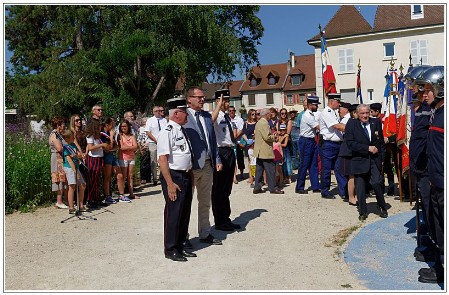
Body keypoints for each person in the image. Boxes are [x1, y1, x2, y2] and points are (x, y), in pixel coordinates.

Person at [157, 96, 196, 262]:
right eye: (185, 112)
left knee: (185, 212)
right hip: (173, 176)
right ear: (177, 113)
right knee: (174, 213)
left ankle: (180, 245)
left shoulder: (181, 129)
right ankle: (170, 248)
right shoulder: (167, 132)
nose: (187, 115)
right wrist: (170, 184)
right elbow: (163, 160)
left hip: (185, 174)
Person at [415, 66, 444, 284]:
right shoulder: (437, 114)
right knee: (438, 228)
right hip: (436, 181)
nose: (424, 93)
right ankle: (441, 267)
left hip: (443, 184)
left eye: (428, 89)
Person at [183, 87, 222, 246]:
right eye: (198, 97)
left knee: (205, 200)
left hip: (207, 165)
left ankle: (205, 232)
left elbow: (212, 140)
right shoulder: (182, 117)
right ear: (189, 99)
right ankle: (183, 236)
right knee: (185, 202)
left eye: (203, 97)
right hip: (190, 167)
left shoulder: (206, 116)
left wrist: (217, 158)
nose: (202, 100)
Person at [345, 104, 388, 221]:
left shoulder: (376, 122)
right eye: (362, 113)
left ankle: (382, 206)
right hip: (359, 159)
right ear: (357, 114)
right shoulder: (352, 124)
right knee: (360, 186)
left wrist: (382, 158)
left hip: (375, 159)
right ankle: (363, 211)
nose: (365, 116)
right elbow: (350, 143)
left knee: (376, 183)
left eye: (367, 113)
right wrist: (367, 148)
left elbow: (381, 142)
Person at [211, 89, 241, 232]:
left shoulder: (227, 117)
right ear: (217, 101)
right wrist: (218, 105)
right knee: (219, 188)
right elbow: (211, 121)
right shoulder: (216, 115)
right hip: (221, 152)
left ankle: (226, 218)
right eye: (224, 100)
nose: (227, 103)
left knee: (227, 188)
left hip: (229, 151)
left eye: (228, 100)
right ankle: (219, 220)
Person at [318, 93, 347, 199]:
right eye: (338, 102)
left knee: (339, 168)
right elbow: (337, 126)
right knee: (326, 169)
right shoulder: (327, 112)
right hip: (328, 144)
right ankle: (325, 191)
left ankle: (343, 191)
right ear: (331, 101)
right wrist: (353, 129)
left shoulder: (333, 112)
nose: (339, 105)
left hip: (337, 144)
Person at [253, 108, 284, 195]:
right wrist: (274, 137)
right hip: (265, 150)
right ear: (266, 114)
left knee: (259, 170)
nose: (271, 115)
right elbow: (267, 137)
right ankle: (273, 187)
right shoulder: (264, 123)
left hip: (259, 150)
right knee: (270, 169)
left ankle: (257, 187)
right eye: (270, 114)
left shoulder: (258, 122)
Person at [295, 96, 320, 194]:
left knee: (314, 164)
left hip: (311, 140)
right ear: (310, 105)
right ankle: (299, 187)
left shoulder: (311, 114)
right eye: (315, 105)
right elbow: (318, 127)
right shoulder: (307, 116)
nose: (317, 106)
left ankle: (315, 186)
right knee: (304, 164)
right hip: (306, 140)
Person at [62, 129, 87, 214]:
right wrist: (76, 172)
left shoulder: (73, 145)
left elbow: (78, 154)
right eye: (73, 137)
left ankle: (80, 205)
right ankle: (71, 207)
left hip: (76, 167)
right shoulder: (65, 147)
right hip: (70, 168)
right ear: (68, 138)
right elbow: (69, 160)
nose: (74, 138)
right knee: (72, 186)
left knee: (83, 185)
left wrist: (77, 155)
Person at [85, 119, 108, 208]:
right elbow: (90, 147)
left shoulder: (98, 136)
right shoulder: (90, 136)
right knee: (93, 180)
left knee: (98, 180)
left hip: (99, 157)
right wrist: (102, 145)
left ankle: (97, 198)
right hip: (93, 159)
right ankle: (90, 200)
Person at [101, 117, 125, 204]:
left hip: (112, 155)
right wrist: (111, 137)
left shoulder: (110, 133)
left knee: (120, 175)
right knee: (107, 176)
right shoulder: (103, 134)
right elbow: (109, 147)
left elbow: (115, 146)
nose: (113, 126)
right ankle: (107, 196)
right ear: (107, 125)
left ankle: (121, 195)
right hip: (106, 156)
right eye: (112, 124)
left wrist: (111, 147)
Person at [339, 103, 358, 206]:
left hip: (354, 151)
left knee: (356, 175)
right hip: (348, 151)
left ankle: (356, 195)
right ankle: (351, 197)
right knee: (352, 175)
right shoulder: (350, 122)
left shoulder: (356, 122)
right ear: (354, 113)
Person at [49, 116, 68, 209]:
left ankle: (63, 200)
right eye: (63, 124)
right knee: (59, 178)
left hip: (60, 158)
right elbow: (59, 148)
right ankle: (59, 201)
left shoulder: (58, 134)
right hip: (57, 158)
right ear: (58, 125)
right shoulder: (54, 135)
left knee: (62, 177)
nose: (64, 126)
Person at [145, 106, 167, 186]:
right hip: (153, 143)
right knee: (153, 161)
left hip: (163, 143)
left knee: (164, 160)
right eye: (156, 111)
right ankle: (154, 178)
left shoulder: (164, 120)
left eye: (159, 111)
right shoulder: (150, 120)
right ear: (153, 112)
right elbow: (148, 132)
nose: (158, 112)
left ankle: (163, 176)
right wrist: (156, 140)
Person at [118, 119, 138, 201]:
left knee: (130, 176)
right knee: (124, 176)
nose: (123, 128)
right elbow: (122, 148)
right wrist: (131, 148)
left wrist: (128, 148)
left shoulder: (132, 136)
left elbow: (135, 146)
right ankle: (122, 194)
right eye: (122, 126)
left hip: (131, 157)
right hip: (123, 158)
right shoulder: (120, 136)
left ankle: (131, 193)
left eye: (125, 126)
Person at [228, 105, 245, 183]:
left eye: (233, 111)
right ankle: (234, 176)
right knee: (233, 160)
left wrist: (234, 137)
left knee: (240, 159)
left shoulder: (239, 119)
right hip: (231, 143)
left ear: (235, 111)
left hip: (238, 141)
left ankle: (241, 173)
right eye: (230, 111)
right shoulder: (226, 119)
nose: (231, 112)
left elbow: (241, 130)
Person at [242, 108, 258, 184]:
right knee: (249, 161)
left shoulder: (257, 123)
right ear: (249, 115)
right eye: (252, 114)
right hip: (249, 144)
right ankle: (251, 177)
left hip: (256, 144)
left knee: (257, 160)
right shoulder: (246, 123)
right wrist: (248, 141)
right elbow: (243, 133)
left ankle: (257, 176)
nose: (254, 116)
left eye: (255, 114)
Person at [277, 108, 292, 184]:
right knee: (281, 161)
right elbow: (277, 132)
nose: (284, 115)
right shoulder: (278, 122)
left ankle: (288, 176)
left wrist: (282, 135)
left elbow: (287, 133)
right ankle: (282, 176)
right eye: (282, 113)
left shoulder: (288, 121)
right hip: (280, 143)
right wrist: (281, 135)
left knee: (287, 160)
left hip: (287, 141)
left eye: (285, 113)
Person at [137, 117, 152, 184]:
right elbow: (139, 140)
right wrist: (140, 148)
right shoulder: (141, 129)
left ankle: (148, 178)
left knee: (149, 163)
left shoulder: (149, 129)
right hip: (144, 147)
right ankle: (143, 178)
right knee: (143, 163)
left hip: (150, 147)